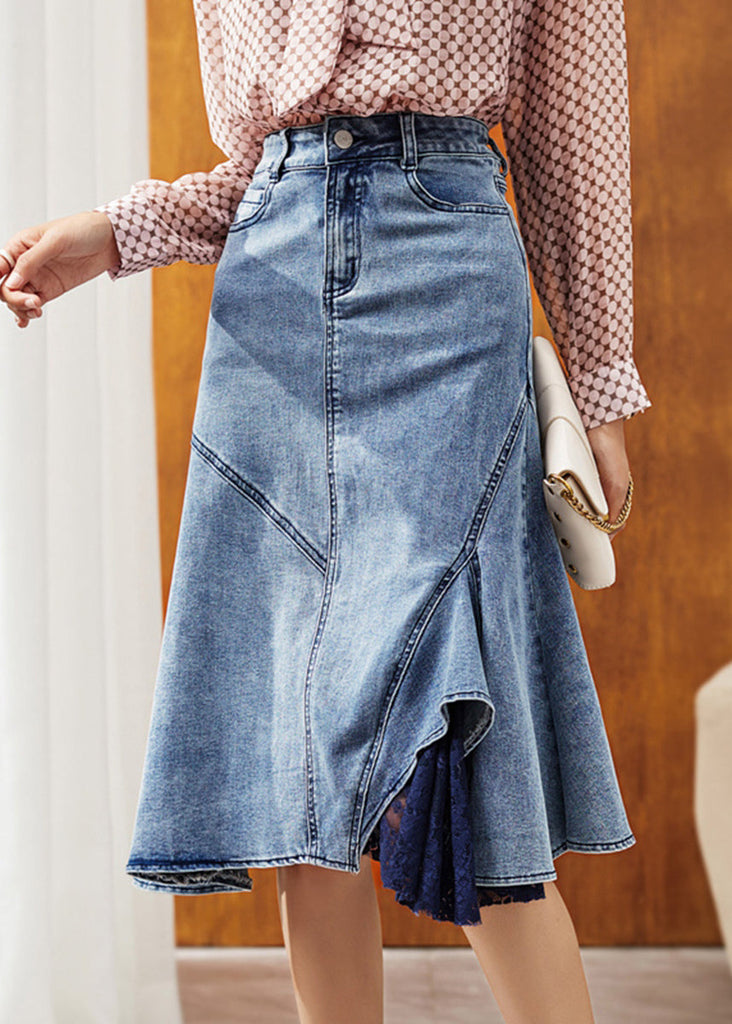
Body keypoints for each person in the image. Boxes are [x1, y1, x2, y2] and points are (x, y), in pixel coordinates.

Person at [0, 3, 652, 1023]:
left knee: (461, 747)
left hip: (449, 283)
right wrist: (117, 232)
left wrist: (601, 382)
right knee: (303, 752)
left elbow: (577, 137)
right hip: (273, 295)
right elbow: (264, 164)